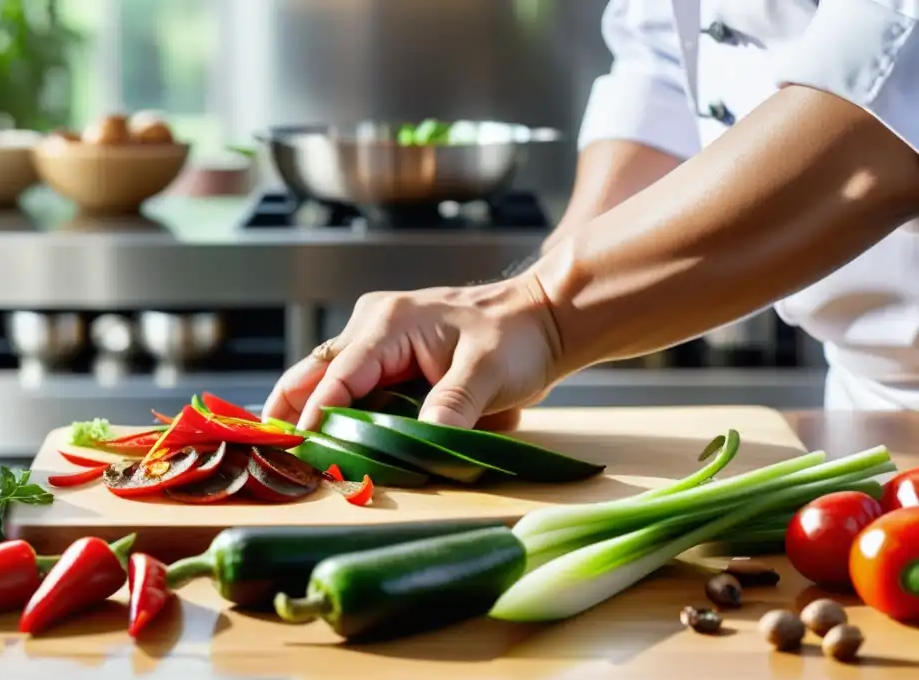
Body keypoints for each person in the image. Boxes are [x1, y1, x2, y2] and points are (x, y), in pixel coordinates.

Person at [263, 0, 919, 431]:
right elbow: (667, 61)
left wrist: (546, 312)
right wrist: (510, 315)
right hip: (865, 406)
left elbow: (884, 94)